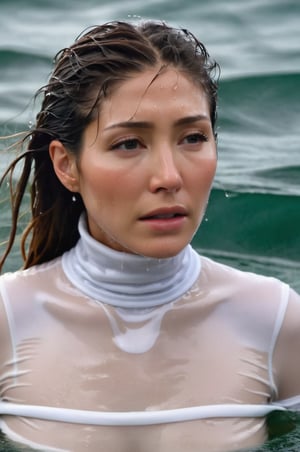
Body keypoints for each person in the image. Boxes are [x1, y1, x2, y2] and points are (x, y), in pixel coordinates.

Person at [0, 19, 299, 452]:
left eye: (192, 138)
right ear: (66, 165)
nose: (169, 176)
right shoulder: (8, 320)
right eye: (129, 144)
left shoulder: (275, 320)